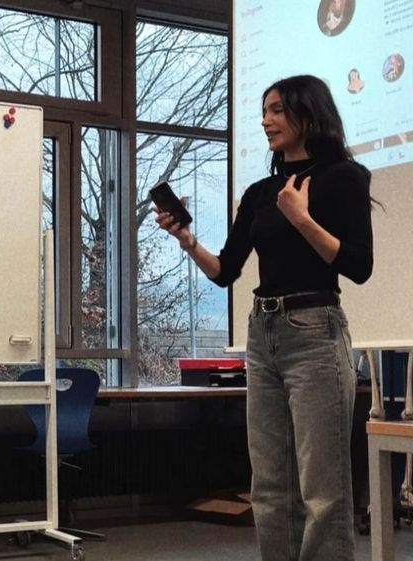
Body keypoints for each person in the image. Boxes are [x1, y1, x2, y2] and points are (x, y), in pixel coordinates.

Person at [155, 75, 374, 561]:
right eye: (264, 110)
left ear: (306, 113)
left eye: (276, 110)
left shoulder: (344, 177)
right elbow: (225, 272)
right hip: (263, 331)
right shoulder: (259, 192)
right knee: (270, 486)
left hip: (315, 329)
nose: (264, 120)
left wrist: (301, 217)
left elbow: (358, 266)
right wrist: (186, 240)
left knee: (323, 490)